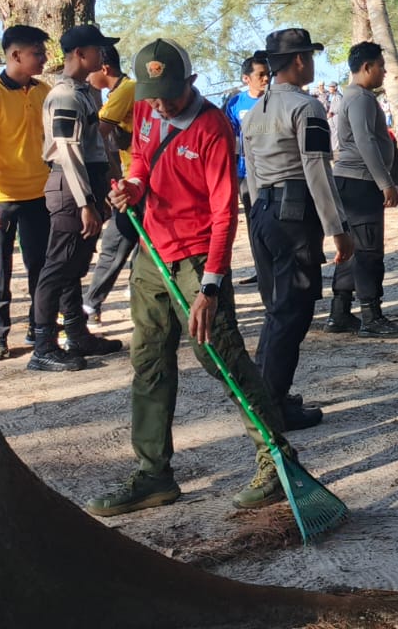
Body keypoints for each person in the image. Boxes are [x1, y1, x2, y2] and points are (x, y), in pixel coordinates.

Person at [88, 38, 295, 517]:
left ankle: (277, 458)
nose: (161, 104)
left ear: (192, 82)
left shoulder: (213, 128)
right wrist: (133, 186)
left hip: (198, 261)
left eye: (170, 94)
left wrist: (210, 288)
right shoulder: (144, 110)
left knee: (219, 355)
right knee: (149, 361)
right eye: (153, 95)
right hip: (150, 255)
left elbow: (225, 213)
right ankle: (153, 474)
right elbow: (141, 160)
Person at [241, 27, 354, 429]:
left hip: (262, 214)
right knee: (293, 312)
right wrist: (336, 226)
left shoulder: (253, 113)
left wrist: (258, 216)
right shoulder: (307, 109)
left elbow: (252, 175)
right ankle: (269, 404)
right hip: (295, 214)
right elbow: (316, 170)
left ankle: (268, 392)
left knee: (277, 308)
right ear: (301, 60)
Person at [30, 23, 124, 372]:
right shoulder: (65, 96)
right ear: (80, 54)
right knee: (57, 267)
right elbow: (67, 152)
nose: (103, 57)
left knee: (74, 265)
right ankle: (43, 345)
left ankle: (76, 333)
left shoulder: (83, 91)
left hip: (87, 184)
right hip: (71, 188)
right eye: (98, 50)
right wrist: (85, 202)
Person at [327, 42, 398, 338]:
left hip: (351, 182)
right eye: (380, 66)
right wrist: (385, 183)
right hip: (360, 183)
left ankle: (339, 313)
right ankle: (371, 317)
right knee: (367, 250)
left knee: (351, 248)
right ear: (366, 67)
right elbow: (365, 143)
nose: (384, 72)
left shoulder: (351, 96)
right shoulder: (361, 98)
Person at [0, 24, 52, 363]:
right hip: (0, 196)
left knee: (41, 264)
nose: (43, 58)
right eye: (37, 53)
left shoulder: (44, 92)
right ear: (15, 56)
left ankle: (39, 328)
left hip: (39, 194)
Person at [83, 43, 139, 324]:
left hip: (135, 182)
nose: (87, 77)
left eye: (90, 70)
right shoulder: (121, 92)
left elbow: (97, 133)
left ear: (104, 69)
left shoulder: (125, 91)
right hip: (131, 177)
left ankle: (90, 305)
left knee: (115, 244)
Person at [222, 52, 271, 300]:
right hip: (244, 175)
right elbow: (228, 139)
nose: (265, 79)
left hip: (272, 172)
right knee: (255, 223)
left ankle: (272, 269)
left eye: (268, 74)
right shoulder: (235, 104)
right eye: (260, 75)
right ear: (246, 78)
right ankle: (261, 269)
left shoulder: (274, 101)